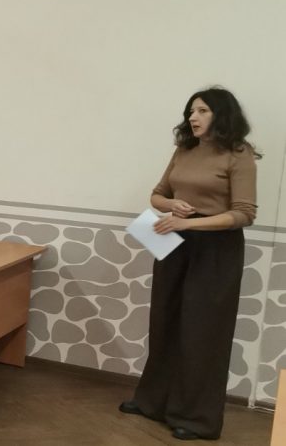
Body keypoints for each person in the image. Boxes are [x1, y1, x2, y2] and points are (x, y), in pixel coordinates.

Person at [119, 87, 259, 441]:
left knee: (202, 332)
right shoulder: (184, 149)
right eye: (191, 111)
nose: (193, 117)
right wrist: (172, 207)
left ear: (222, 115)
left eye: (202, 111)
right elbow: (157, 195)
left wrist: (190, 223)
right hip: (174, 242)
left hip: (216, 250)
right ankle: (152, 402)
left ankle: (196, 418)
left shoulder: (239, 154)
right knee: (164, 321)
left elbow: (244, 214)